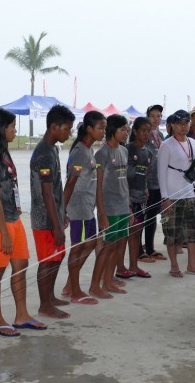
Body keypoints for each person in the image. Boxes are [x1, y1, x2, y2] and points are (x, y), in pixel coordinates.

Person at [0, 108, 46, 336]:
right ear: (0, 129)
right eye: (11, 127)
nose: (15, 131)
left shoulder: (3, 152)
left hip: (13, 218)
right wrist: (4, 233)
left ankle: (21, 315)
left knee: (21, 265)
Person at [30, 104, 77, 319]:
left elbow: (57, 189)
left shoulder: (52, 149)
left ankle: (49, 297)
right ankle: (44, 305)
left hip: (55, 214)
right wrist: (56, 224)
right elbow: (47, 193)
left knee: (57, 257)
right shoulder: (43, 154)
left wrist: (62, 213)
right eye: (67, 128)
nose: (69, 133)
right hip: (44, 218)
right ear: (53, 127)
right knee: (47, 260)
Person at [63, 110, 107, 303]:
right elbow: (71, 182)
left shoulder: (89, 149)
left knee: (90, 243)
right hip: (79, 206)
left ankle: (69, 284)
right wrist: (62, 210)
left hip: (88, 207)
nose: (103, 132)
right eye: (100, 128)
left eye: (105, 128)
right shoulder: (80, 151)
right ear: (89, 129)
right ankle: (75, 291)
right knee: (78, 247)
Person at [157, 109, 195, 277]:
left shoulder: (193, 142)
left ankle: (192, 265)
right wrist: (165, 198)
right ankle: (174, 266)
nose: (183, 126)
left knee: (193, 232)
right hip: (172, 196)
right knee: (172, 232)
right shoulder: (166, 145)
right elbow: (161, 173)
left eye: (186, 123)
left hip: (190, 194)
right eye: (179, 123)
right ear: (172, 125)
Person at [95, 114, 133, 291]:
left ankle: (110, 279)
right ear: (112, 130)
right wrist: (101, 213)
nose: (126, 133)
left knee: (118, 243)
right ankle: (104, 281)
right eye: (123, 129)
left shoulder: (124, 151)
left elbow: (124, 182)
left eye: (127, 129)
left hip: (123, 206)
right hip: (109, 207)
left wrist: (129, 207)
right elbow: (98, 185)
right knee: (108, 245)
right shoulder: (102, 153)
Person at [125, 117, 153, 278]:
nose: (146, 134)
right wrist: (127, 202)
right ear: (135, 131)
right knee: (123, 236)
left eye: (148, 131)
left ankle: (134, 266)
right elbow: (123, 177)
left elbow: (146, 174)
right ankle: (120, 268)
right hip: (128, 199)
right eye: (143, 130)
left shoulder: (148, 153)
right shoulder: (127, 150)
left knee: (137, 232)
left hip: (141, 198)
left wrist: (146, 189)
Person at [141, 105, 167, 262]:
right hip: (145, 183)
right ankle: (139, 251)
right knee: (141, 218)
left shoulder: (160, 135)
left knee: (152, 217)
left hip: (158, 182)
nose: (156, 118)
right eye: (153, 115)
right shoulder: (142, 134)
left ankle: (150, 248)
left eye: (159, 116)